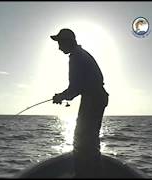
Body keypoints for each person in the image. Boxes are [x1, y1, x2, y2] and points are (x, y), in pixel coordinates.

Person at [50, 28, 109, 178]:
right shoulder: (82, 54)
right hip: (97, 97)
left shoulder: (76, 57)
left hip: (93, 99)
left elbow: (74, 88)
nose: (59, 47)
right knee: (90, 140)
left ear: (68, 41)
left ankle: (85, 174)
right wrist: (65, 95)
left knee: (82, 139)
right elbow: (78, 87)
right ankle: (94, 173)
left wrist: (60, 97)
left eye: (60, 43)